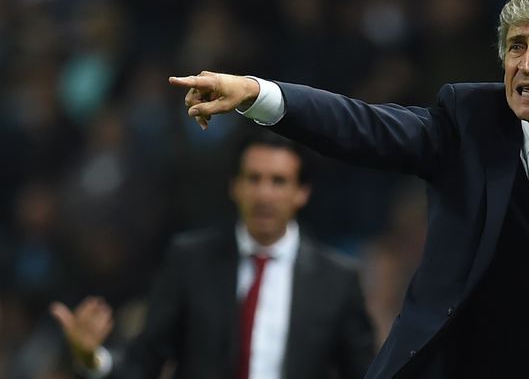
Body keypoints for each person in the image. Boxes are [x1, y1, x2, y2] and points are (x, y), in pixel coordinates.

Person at [169, 0, 529, 379]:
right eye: (514, 48)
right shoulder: (471, 123)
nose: (526, 64)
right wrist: (259, 94)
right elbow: (366, 127)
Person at [50, 132, 375, 379]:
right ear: (235, 186)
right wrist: (93, 358)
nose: (264, 193)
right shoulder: (190, 261)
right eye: (254, 179)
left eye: (278, 181)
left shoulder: (337, 279)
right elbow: (145, 360)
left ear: (301, 192)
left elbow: (363, 372)